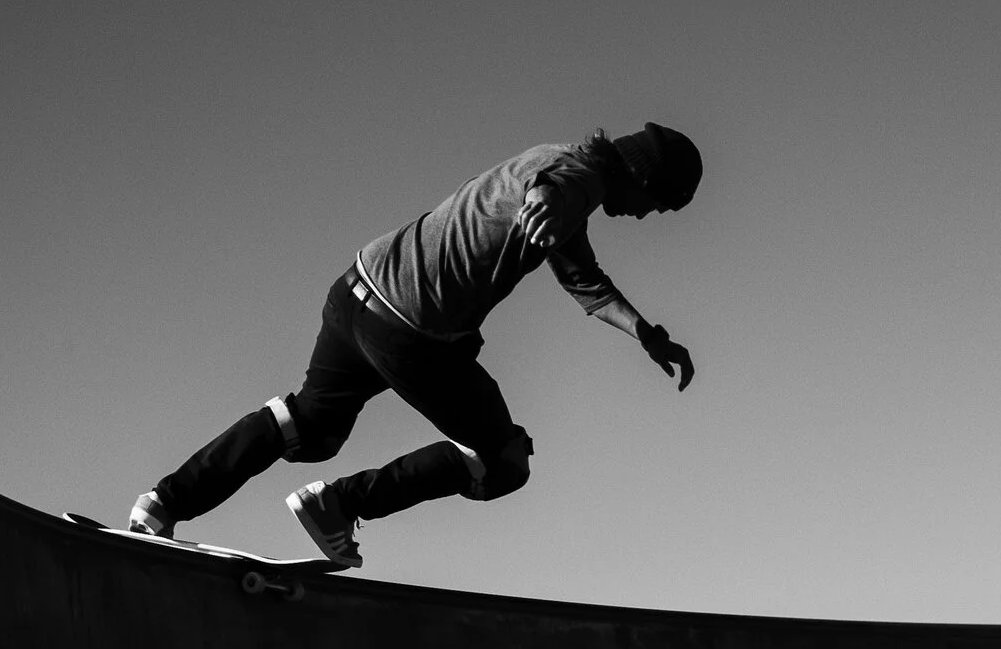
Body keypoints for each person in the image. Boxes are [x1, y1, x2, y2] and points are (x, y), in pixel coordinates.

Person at [128, 123, 703, 567]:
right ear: (646, 177)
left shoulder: (556, 161)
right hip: (410, 331)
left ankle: (163, 505)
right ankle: (341, 502)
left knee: (312, 424)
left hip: (357, 291)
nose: (650, 214)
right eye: (662, 204)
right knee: (502, 461)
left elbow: (588, 286)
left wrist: (648, 335)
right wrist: (546, 202)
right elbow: (550, 194)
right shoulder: (575, 183)